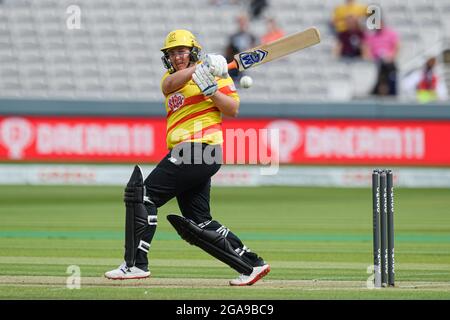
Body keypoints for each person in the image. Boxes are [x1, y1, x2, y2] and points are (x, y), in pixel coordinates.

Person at [105, 30, 270, 286]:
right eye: (172, 53)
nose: (176, 57)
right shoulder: (171, 79)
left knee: (142, 196)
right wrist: (201, 68)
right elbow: (169, 86)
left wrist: (212, 90)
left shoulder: (218, 74)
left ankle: (135, 265)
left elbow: (233, 109)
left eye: (181, 51)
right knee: (199, 221)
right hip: (194, 152)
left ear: (192, 51)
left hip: (198, 149)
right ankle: (252, 265)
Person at [363, 20, 399, 96]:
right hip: (375, 61)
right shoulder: (371, 35)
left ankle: (390, 92)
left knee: (388, 71)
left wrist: (391, 56)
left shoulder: (391, 34)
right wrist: (370, 57)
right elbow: (366, 48)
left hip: (388, 61)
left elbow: (396, 47)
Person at [224, 14, 257, 82]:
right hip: (235, 65)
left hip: (246, 62)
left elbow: (255, 50)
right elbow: (228, 51)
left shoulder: (251, 37)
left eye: (244, 22)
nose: (242, 24)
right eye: (241, 22)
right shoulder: (233, 36)